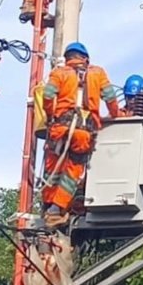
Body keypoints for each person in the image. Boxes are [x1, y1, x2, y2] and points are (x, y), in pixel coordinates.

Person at [40, 41, 124, 227]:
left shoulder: (59, 72)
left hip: (60, 128)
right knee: (73, 171)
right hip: (83, 132)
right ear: (85, 58)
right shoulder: (97, 73)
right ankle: (56, 209)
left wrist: (50, 116)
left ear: (68, 57)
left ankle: (47, 206)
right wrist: (116, 114)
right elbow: (110, 97)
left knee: (53, 166)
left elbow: (47, 95)